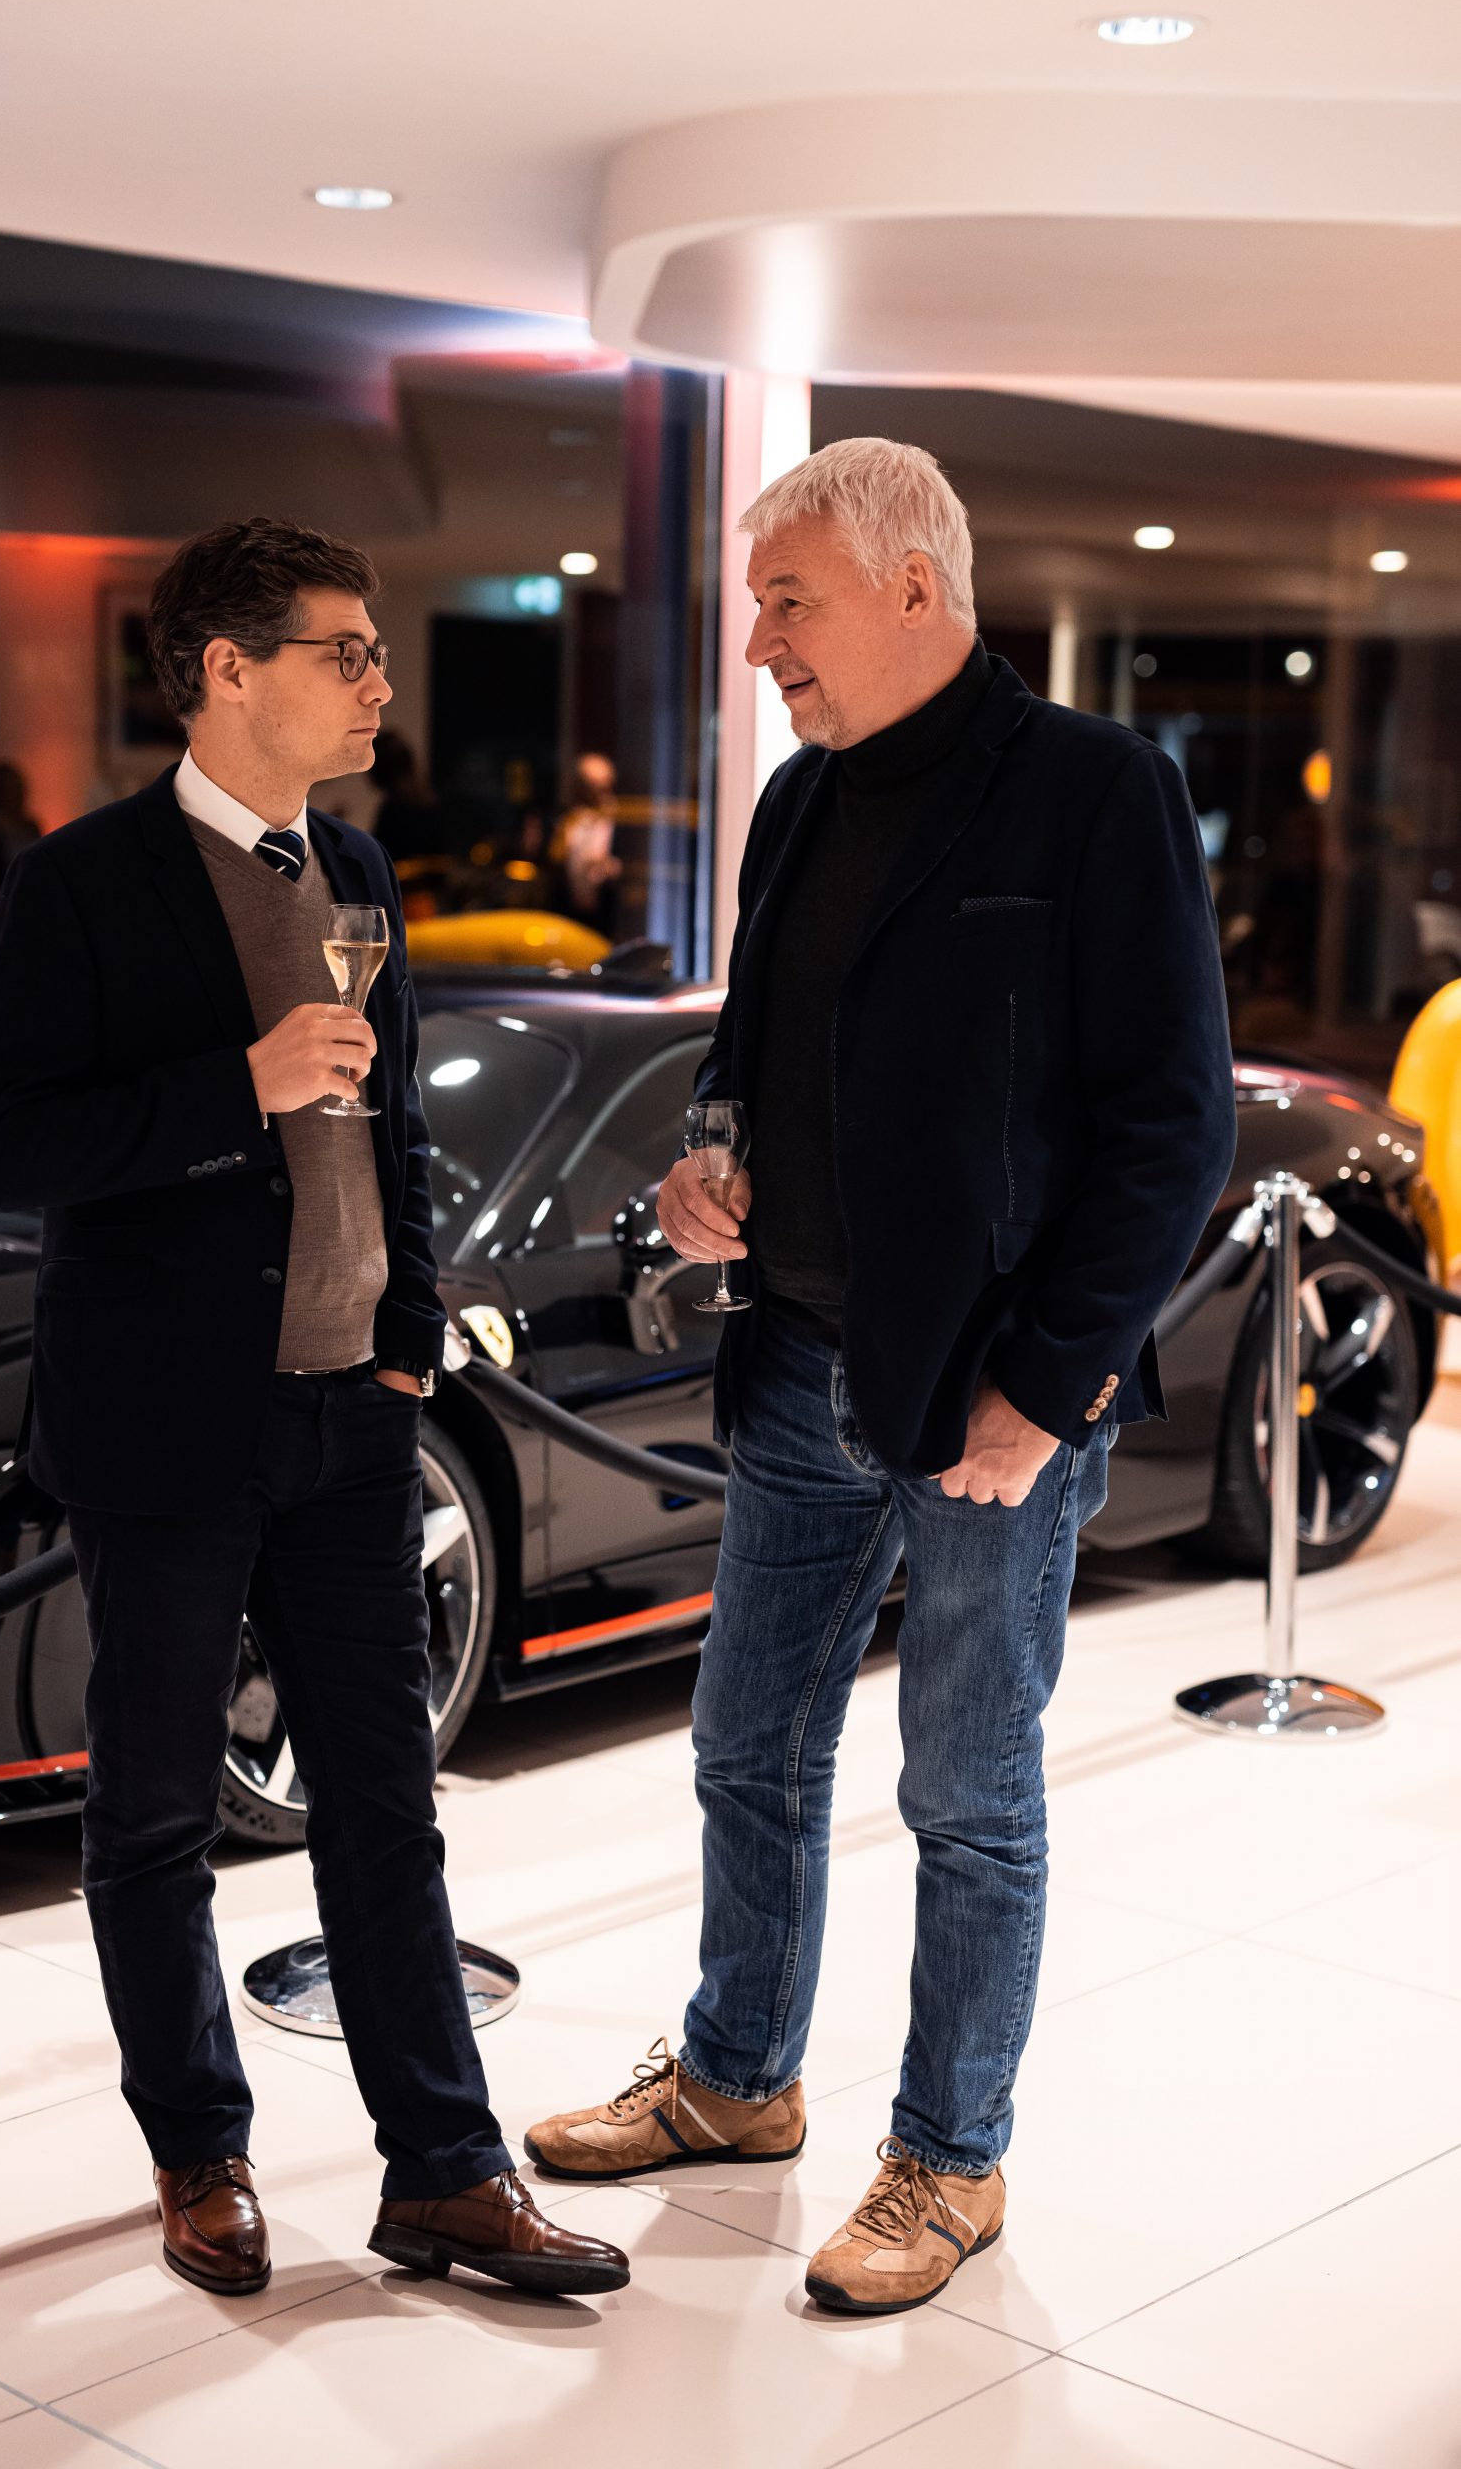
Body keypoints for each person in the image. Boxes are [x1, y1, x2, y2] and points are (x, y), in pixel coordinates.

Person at [527, 440, 1236, 2316]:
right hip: (794, 1366)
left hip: (989, 1398)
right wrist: (710, 1161)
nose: (761, 641)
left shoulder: (1097, 791)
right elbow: (747, 1060)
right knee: (744, 1747)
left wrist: (1050, 1389)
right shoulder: (796, 803)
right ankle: (736, 2079)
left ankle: (950, 2157)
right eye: (758, 602)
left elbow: (1171, 1128)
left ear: (915, 589)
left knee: (967, 1796)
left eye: (789, 600)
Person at [0, 516, 626, 2306]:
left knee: (386, 1805)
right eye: (347, 651)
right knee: (157, 1815)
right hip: (169, 1425)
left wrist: (407, 1335)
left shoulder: (356, 868)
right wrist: (232, 1087)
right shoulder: (81, 882)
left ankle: (447, 2171)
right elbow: (8, 1147)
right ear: (226, 669)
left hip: (353, 1420)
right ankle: (201, 2153)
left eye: (376, 652)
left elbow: (393, 1135)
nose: (379, 684)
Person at [556, 750, 622, 934]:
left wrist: (614, 868)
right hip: (568, 912)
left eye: (604, 785)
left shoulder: (621, 820)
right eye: (591, 785)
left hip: (608, 914)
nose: (598, 792)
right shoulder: (567, 819)